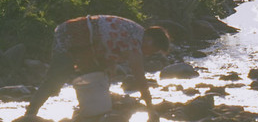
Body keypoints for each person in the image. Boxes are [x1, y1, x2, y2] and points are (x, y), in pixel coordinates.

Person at [20, 15, 170, 122]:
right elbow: (139, 78)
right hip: (69, 36)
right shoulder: (135, 41)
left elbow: (111, 44)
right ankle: (30, 115)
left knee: (95, 75)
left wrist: (110, 67)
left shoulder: (135, 32)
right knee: (55, 80)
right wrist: (151, 108)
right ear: (150, 41)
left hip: (86, 43)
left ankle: (87, 113)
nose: (150, 54)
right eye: (154, 51)